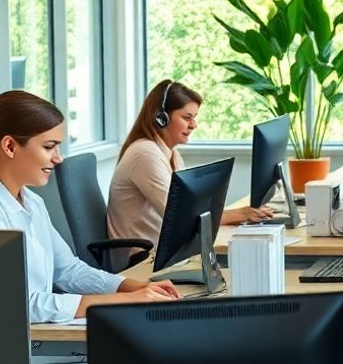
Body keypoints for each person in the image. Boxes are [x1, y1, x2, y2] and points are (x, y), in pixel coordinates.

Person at [0, 90, 179, 324]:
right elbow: (19, 304)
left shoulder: (30, 201)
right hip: (0, 350)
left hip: (31, 338)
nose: (58, 158)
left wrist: (135, 287)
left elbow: (68, 270)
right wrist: (122, 300)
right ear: (10, 146)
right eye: (49, 147)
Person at [108, 80, 271, 262]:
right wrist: (238, 214)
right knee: (242, 261)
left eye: (194, 118)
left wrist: (239, 214)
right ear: (161, 118)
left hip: (165, 251)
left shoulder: (171, 153)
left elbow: (191, 208)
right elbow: (180, 217)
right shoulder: (145, 154)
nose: (193, 125)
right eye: (187, 118)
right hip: (141, 259)